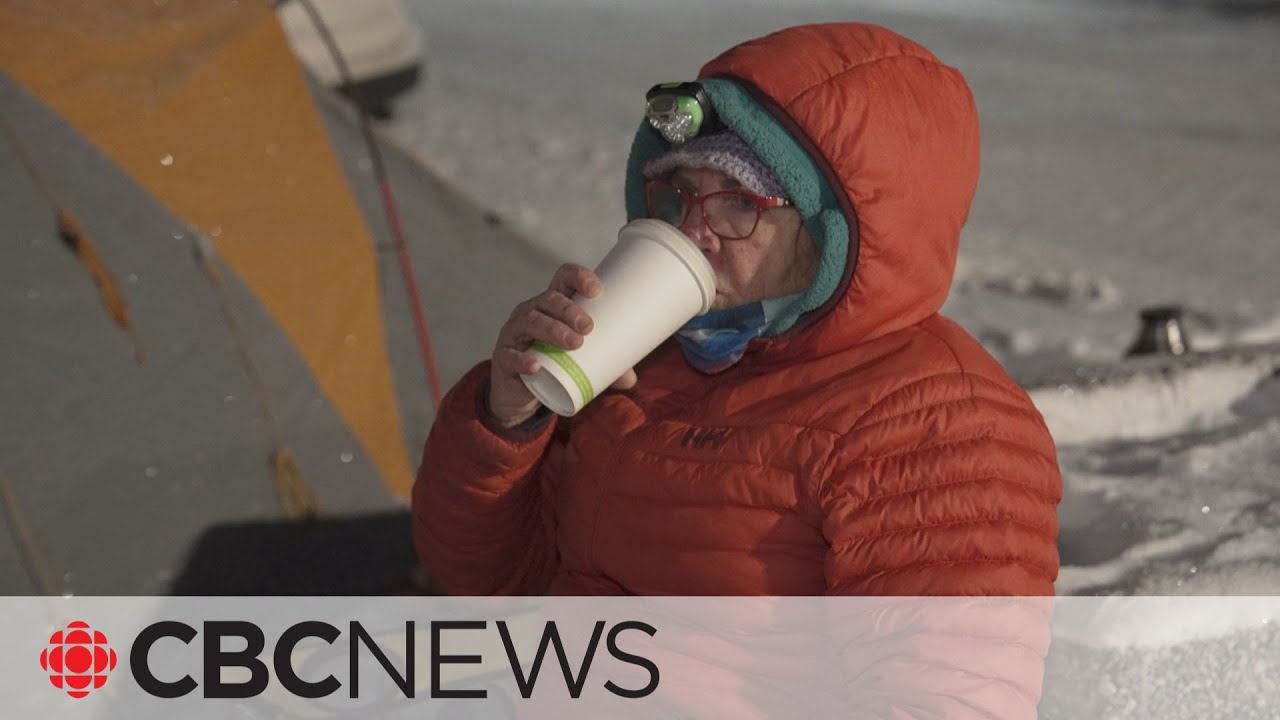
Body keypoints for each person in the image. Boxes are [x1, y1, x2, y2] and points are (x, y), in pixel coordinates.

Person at [412, 22, 1062, 598]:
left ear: (837, 230)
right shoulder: (647, 367)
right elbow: (494, 580)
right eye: (680, 193)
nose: (695, 229)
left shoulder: (935, 425)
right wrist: (507, 422)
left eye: (737, 203)